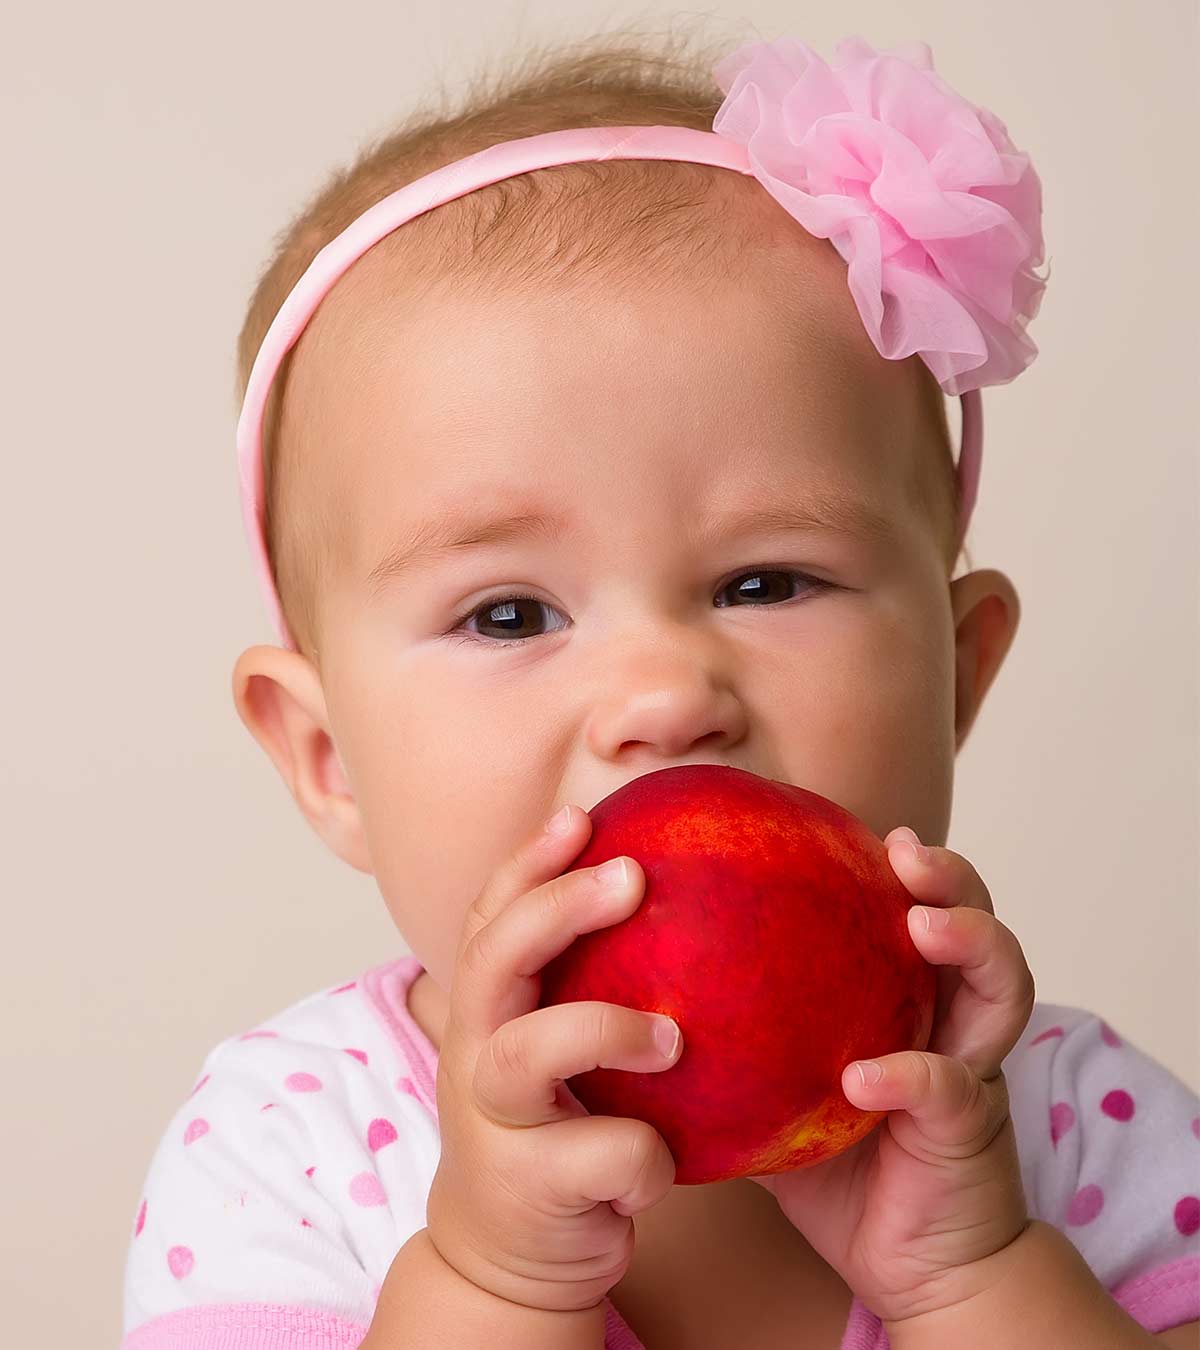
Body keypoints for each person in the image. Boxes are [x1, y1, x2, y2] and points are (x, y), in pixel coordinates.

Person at [120, 27, 1200, 1350]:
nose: (664, 693)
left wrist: (976, 1276)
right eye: (508, 611)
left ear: (960, 672)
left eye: (768, 582)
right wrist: (496, 1282)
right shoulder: (286, 1154)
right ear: (328, 756)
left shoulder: (1077, 1125)